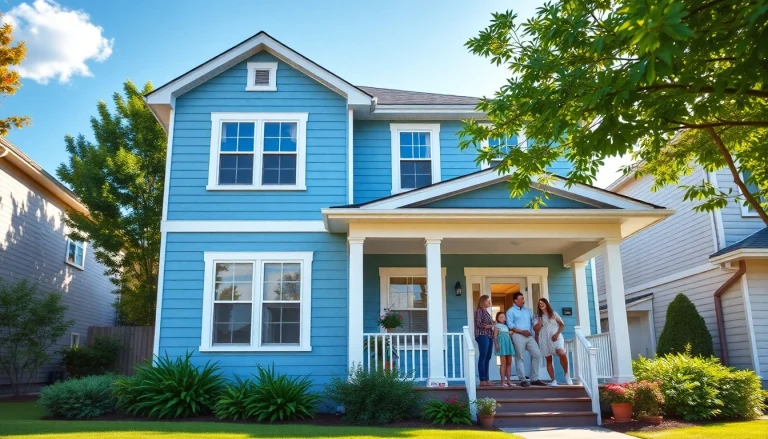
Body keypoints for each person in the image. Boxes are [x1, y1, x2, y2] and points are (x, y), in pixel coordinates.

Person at [506, 292, 545, 387]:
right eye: (521, 299)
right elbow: (510, 325)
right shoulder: (510, 311)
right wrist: (522, 331)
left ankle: (534, 378)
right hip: (518, 335)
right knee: (520, 358)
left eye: (523, 299)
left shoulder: (528, 310)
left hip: (529, 336)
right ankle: (522, 379)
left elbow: (533, 322)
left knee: (537, 354)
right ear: (515, 300)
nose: (523, 301)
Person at [533, 298, 573, 386]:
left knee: (561, 353)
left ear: (546, 304)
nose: (541, 305)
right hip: (544, 339)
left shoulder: (554, 314)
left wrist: (557, 334)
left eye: (543, 303)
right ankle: (553, 380)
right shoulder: (537, 317)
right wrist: (540, 321)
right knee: (548, 359)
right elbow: (536, 329)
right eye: (539, 304)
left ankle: (566, 374)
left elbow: (562, 325)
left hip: (556, 336)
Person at [474, 295, 495, 387]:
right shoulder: (479, 311)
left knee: (488, 357)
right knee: (483, 357)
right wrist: (490, 325)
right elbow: (478, 323)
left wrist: (493, 323)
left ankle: (487, 379)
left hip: (489, 336)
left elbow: (490, 323)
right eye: (488, 301)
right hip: (482, 335)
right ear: (483, 301)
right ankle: (482, 379)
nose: (489, 302)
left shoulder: (487, 312)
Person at [493, 311, 515, 387]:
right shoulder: (497, 326)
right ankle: (503, 381)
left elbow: (508, 334)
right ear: (497, 319)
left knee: (509, 363)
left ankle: (509, 381)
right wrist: (496, 344)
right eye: (501, 317)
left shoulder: (506, 326)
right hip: (502, 345)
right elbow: (495, 336)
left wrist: (510, 333)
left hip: (508, 344)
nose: (502, 318)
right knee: (503, 364)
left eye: (503, 317)